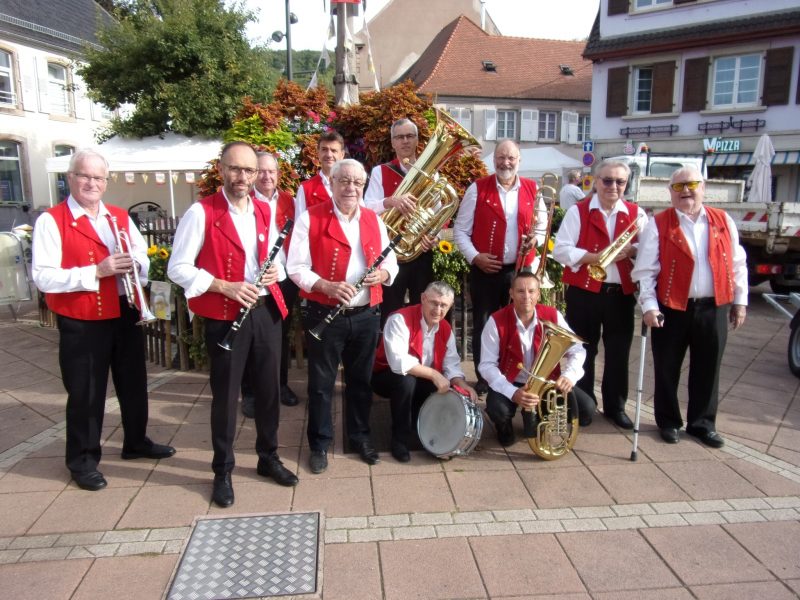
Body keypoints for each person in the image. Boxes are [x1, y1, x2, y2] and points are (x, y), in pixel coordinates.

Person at [31, 148, 175, 492]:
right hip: (82, 319)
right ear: (70, 178)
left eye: (98, 177)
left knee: (134, 382)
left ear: (106, 182)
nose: (91, 183)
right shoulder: (52, 220)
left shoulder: (118, 216)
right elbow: (43, 277)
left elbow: (141, 255)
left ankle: (136, 441)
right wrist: (96, 271)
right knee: (86, 392)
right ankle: (82, 460)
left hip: (124, 311)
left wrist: (136, 264)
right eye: (84, 175)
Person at [168, 141, 298, 509]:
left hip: (265, 311)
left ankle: (268, 457)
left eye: (249, 170)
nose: (243, 176)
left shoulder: (264, 209)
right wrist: (223, 285)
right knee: (226, 398)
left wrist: (277, 271)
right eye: (236, 169)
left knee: (269, 391)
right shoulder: (201, 212)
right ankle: (222, 470)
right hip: (226, 315)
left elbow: (279, 260)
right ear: (222, 170)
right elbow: (177, 268)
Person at [287, 158, 399, 474]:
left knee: (360, 382)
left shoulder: (373, 219)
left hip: (366, 314)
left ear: (363, 187)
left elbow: (391, 261)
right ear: (333, 183)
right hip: (324, 312)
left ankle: (360, 437)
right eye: (345, 181)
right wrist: (326, 285)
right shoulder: (310, 218)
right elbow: (295, 267)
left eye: (357, 182)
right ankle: (319, 444)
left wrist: (383, 275)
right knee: (321, 384)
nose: (351, 187)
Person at [632, 167, 747, 448]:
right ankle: (668, 421)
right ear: (670, 192)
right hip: (671, 307)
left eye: (692, 184)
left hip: (714, 306)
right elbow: (645, 270)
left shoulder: (723, 220)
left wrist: (740, 301)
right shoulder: (658, 223)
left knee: (708, 368)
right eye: (678, 186)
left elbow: (737, 263)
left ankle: (702, 424)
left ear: (703, 188)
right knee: (667, 366)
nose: (685, 191)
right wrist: (649, 306)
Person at [552, 159, 648, 430]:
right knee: (583, 350)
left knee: (619, 352)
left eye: (620, 181)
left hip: (620, 294)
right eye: (607, 180)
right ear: (595, 181)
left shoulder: (637, 214)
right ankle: (584, 405)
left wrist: (632, 250)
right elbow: (561, 250)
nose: (613, 186)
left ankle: (616, 407)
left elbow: (649, 250)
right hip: (584, 292)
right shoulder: (578, 211)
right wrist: (595, 257)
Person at [453, 139, 546, 395]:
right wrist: (475, 257)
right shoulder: (477, 189)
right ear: (493, 160)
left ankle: (511, 374)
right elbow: (460, 231)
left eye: (511, 158)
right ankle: (484, 377)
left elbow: (541, 226)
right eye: (501, 158)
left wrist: (535, 240)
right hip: (485, 270)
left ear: (519, 161)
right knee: (484, 324)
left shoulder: (533, 189)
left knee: (517, 323)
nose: (506, 162)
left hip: (519, 271)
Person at [478, 271, 593, 446]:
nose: (526, 296)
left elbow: (577, 350)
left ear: (538, 294)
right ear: (511, 293)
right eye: (520, 291)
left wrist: (569, 376)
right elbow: (486, 365)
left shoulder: (553, 316)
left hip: (546, 381)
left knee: (587, 409)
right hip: (511, 381)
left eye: (531, 291)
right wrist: (513, 392)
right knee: (497, 410)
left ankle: (540, 416)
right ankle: (504, 427)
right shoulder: (495, 321)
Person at [372, 281, 477, 462]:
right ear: (423, 298)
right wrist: (435, 375)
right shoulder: (399, 319)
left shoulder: (445, 329)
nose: (438, 310)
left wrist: (462, 384)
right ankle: (399, 439)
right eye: (434, 303)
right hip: (385, 376)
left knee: (445, 389)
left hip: (421, 377)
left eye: (443, 305)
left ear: (450, 306)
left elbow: (451, 365)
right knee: (406, 381)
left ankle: (429, 432)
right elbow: (398, 362)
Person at [251, 152, 300, 409]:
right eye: (261, 171)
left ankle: (280, 385)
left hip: (284, 279)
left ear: (278, 175)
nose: (266, 176)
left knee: (280, 334)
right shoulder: (244, 201)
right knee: (251, 336)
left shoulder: (291, 201)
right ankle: (250, 392)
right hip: (254, 280)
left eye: (271, 171)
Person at [295, 130, 346, 213]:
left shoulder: (351, 186)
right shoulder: (306, 189)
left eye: (334, 151)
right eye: (324, 149)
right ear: (318, 153)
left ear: (342, 155)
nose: (329, 155)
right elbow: (299, 220)